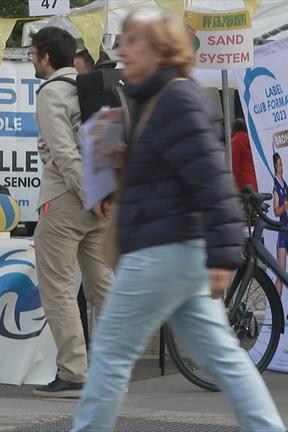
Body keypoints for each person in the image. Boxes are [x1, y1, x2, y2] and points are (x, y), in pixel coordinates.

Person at [72, 9, 284, 431]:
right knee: (223, 355)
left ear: (157, 47)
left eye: (132, 41)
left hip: (159, 253)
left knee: (111, 355)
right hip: (174, 252)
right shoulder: (158, 99)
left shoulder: (175, 99)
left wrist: (224, 257)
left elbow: (212, 181)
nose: (122, 49)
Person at [28, 27, 113, 397]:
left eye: (33, 53)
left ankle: (74, 371)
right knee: (104, 288)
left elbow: (63, 154)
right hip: (102, 197)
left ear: (46, 56)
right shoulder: (87, 88)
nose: (32, 59)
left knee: (59, 288)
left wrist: (87, 191)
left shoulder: (51, 93)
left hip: (67, 198)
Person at [273, 153, 288, 296]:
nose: (281, 167)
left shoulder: (285, 184)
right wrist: (283, 208)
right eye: (279, 164)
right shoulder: (276, 185)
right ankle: (276, 309)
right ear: (275, 166)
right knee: (281, 273)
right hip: (283, 231)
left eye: (282, 164)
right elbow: (276, 211)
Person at [231, 119, 257, 192]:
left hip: (242, 184)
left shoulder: (236, 141)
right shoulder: (251, 141)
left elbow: (233, 167)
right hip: (254, 181)